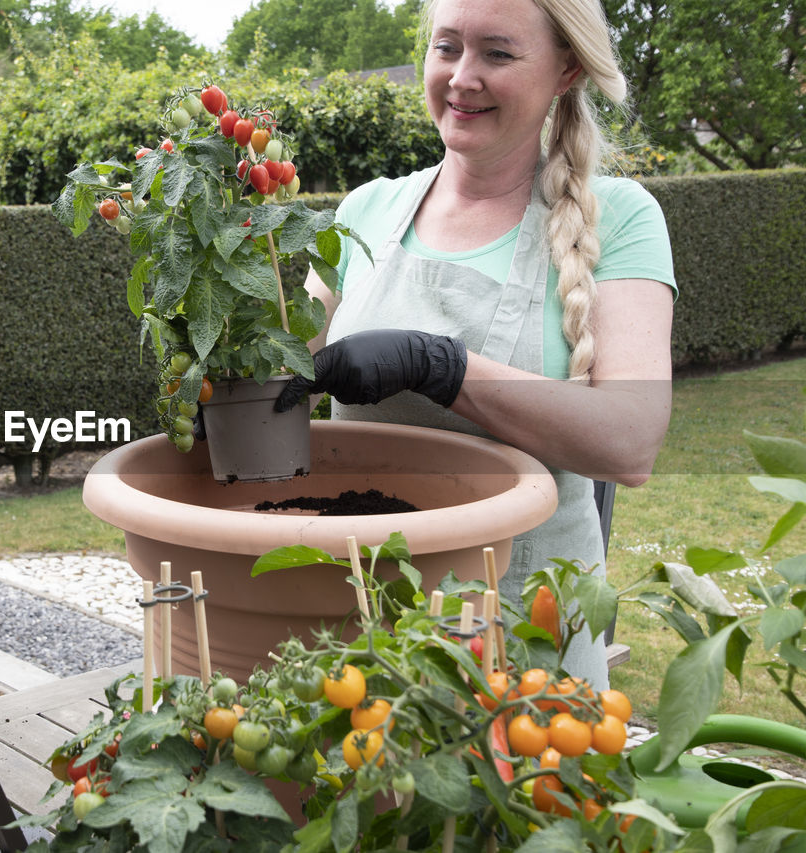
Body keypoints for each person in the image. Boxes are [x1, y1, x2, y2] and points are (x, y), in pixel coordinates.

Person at [275, 0, 676, 691]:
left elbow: (631, 442)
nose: (462, 77)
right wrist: (230, 395)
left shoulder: (623, 217)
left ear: (567, 69)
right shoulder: (365, 211)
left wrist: (443, 368)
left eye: (497, 53)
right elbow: (284, 368)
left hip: (526, 646)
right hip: (361, 628)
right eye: (447, 47)